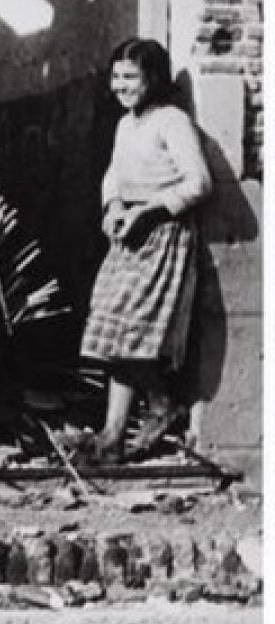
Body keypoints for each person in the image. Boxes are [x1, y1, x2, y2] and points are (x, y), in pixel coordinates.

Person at [77, 38, 212, 464]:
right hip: (128, 233)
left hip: (162, 233)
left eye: (131, 77)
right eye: (116, 77)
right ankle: (135, 419)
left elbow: (199, 182)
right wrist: (114, 206)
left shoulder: (171, 121)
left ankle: (132, 422)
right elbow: (113, 175)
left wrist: (150, 211)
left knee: (130, 329)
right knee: (112, 323)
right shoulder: (126, 125)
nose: (122, 86)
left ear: (153, 78)